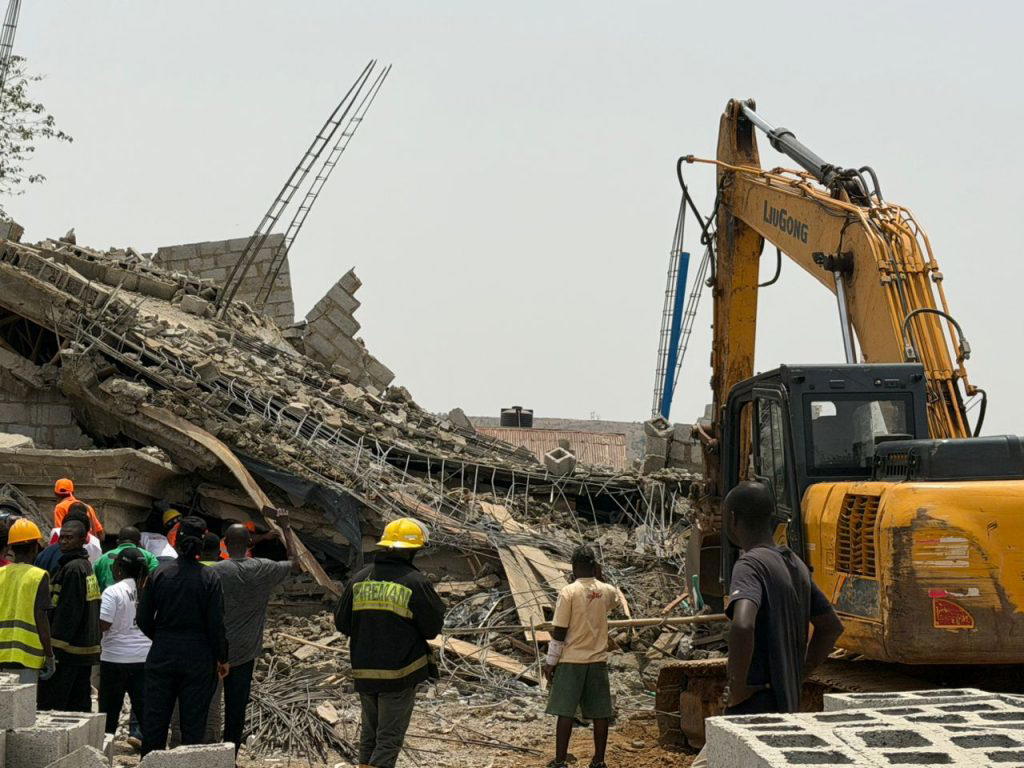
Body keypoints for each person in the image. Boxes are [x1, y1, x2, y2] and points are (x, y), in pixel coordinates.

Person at [690, 482, 844, 768]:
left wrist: (738, 687)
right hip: (786, 705)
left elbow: (744, 624)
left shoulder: (749, 565)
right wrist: (799, 672)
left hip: (753, 709)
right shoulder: (793, 563)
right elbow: (831, 627)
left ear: (733, 519)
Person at [336, 517, 445, 768]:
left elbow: (342, 623)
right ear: (413, 550)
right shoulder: (415, 583)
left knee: (370, 735)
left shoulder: (359, 579)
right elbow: (431, 629)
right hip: (399, 674)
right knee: (389, 738)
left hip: (364, 671)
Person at [138, 516, 228, 756]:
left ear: (176, 541)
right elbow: (216, 624)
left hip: (162, 653)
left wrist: (162, 638)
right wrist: (222, 657)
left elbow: (143, 618)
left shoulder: (159, 574)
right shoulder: (210, 578)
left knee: (154, 724)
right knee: (192, 725)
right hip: (199, 658)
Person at [212, 509, 297, 753]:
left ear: (225, 544)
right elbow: (295, 562)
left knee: (208, 705)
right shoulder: (263, 568)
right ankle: (230, 755)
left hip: (215, 651)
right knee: (236, 708)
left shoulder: (215, 572)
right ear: (250, 543)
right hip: (245, 652)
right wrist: (286, 527)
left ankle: (203, 752)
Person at [542, 546, 620, 768]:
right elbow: (613, 600)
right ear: (594, 565)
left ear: (574, 566)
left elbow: (560, 630)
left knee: (565, 712)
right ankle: (599, 760)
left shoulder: (568, 592)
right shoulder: (606, 590)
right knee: (600, 713)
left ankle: (560, 761)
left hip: (571, 660)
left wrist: (550, 662)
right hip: (597, 660)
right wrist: (600, 576)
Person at [37, 518, 102, 712]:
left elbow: (68, 613)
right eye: (62, 538)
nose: (63, 542)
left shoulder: (73, 569)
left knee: (53, 705)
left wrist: (53, 649)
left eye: (69, 538)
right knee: (78, 704)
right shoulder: (83, 565)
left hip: (68, 652)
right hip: (82, 651)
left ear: (83, 540)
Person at [98, 547, 151, 737]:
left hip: (114, 659)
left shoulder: (112, 592)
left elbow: (104, 624)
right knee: (146, 714)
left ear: (119, 568)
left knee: (108, 715)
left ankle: (103, 757)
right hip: (144, 658)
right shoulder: (148, 591)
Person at [0, 519, 55, 683]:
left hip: (1, 654)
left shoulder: (1, 573)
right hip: (27, 656)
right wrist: (49, 654)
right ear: (35, 547)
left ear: (11, 548)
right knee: (22, 705)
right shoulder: (38, 576)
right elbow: (41, 618)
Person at [95, 527, 160, 591]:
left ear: (117, 541)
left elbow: (93, 582)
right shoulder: (148, 556)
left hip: (107, 598)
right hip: (136, 598)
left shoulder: (102, 559)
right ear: (139, 543)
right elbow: (155, 575)